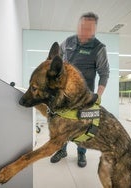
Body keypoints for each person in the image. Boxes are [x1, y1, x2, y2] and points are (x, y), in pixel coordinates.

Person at [50, 12, 110, 167]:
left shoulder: (99, 48)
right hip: (64, 94)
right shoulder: (68, 42)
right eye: (82, 27)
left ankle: (81, 154)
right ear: (78, 26)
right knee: (61, 124)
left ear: (94, 30)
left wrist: (98, 96)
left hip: (85, 97)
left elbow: (104, 73)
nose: (84, 31)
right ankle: (61, 149)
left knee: (82, 126)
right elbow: (59, 57)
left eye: (88, 29)